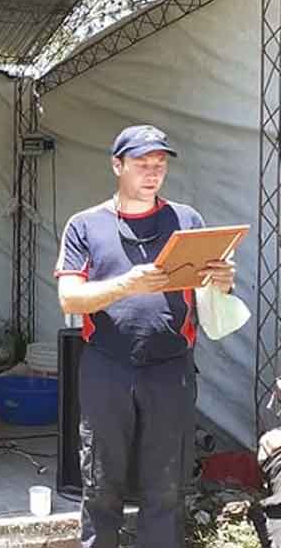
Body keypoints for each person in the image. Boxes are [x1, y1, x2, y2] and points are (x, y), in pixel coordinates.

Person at [55, 125, 237, 547]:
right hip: (106, 364)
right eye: (142, 164)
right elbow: (70, 300)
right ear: (117, 166)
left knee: (167, 483)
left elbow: (209, 288)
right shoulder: (85, 225)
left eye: (160, 165)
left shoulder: (187, 221)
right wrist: (128, 285)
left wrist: (223, 280)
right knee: (101, 478)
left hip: (171, 366)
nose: (153, 173)